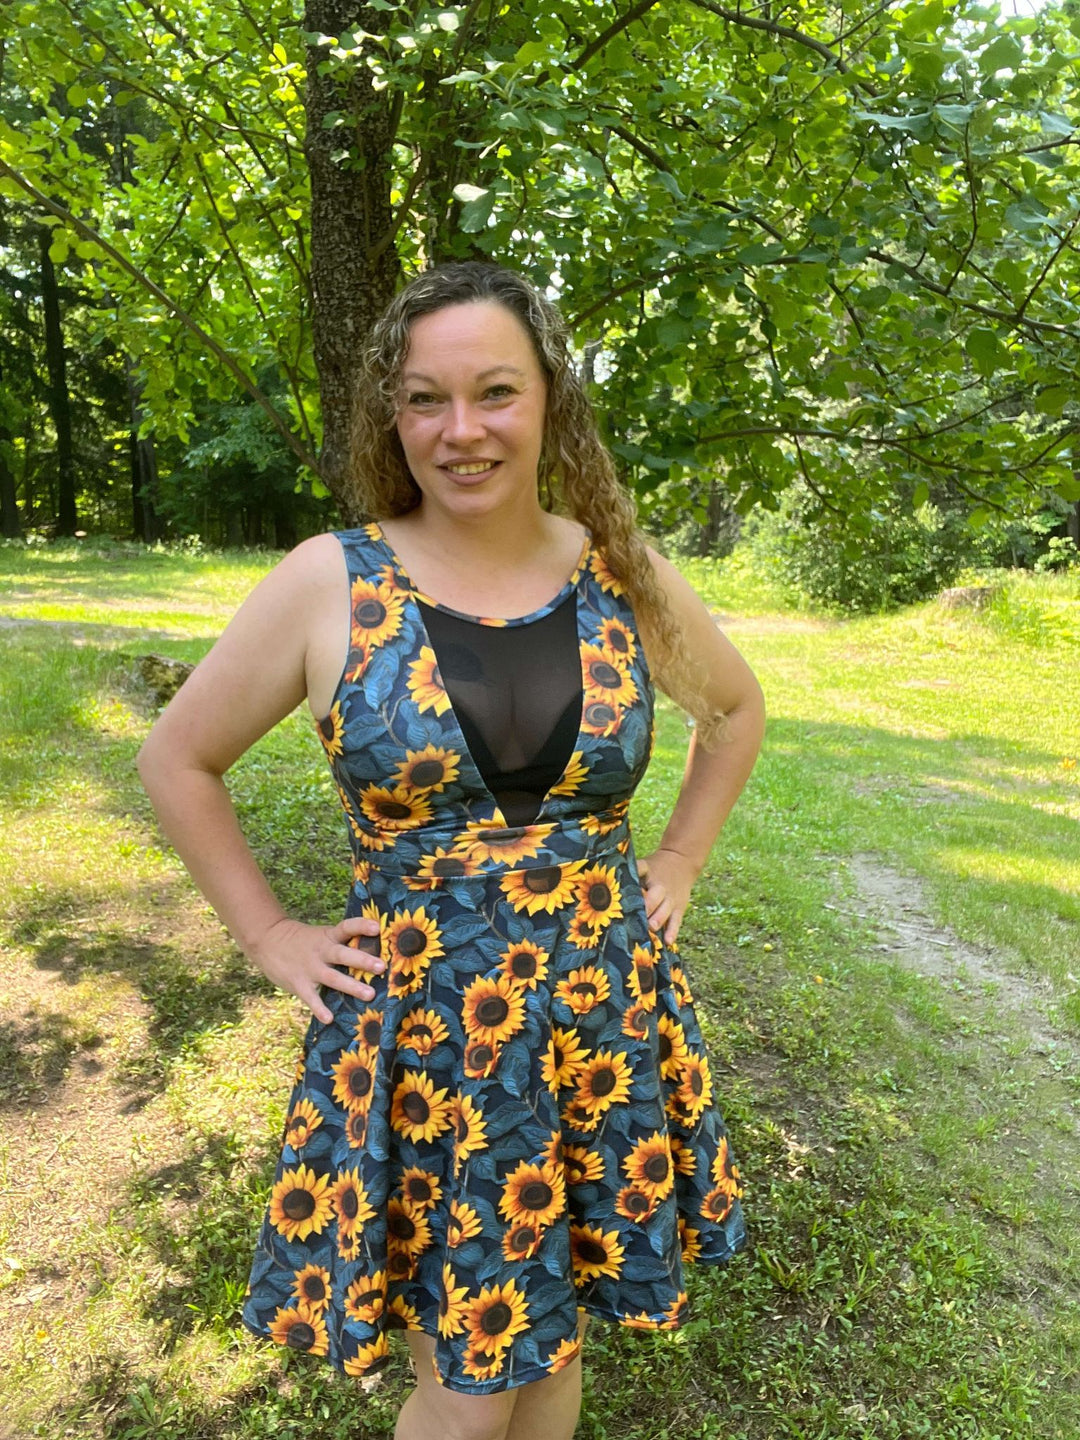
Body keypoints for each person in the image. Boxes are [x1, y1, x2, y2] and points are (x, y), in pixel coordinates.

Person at [136, 261, 765, 1440]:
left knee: (553, 1349)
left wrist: (680, 861)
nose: (460, 429)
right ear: (394, 414)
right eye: (426, 399)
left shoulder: (615, 569)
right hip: (428, 1041)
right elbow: (177, 759)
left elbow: (733, 710)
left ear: (549, 400)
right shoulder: (332, 578)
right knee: (470, 1391)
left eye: (495, 392)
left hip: (599, 1017)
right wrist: (268, 933)